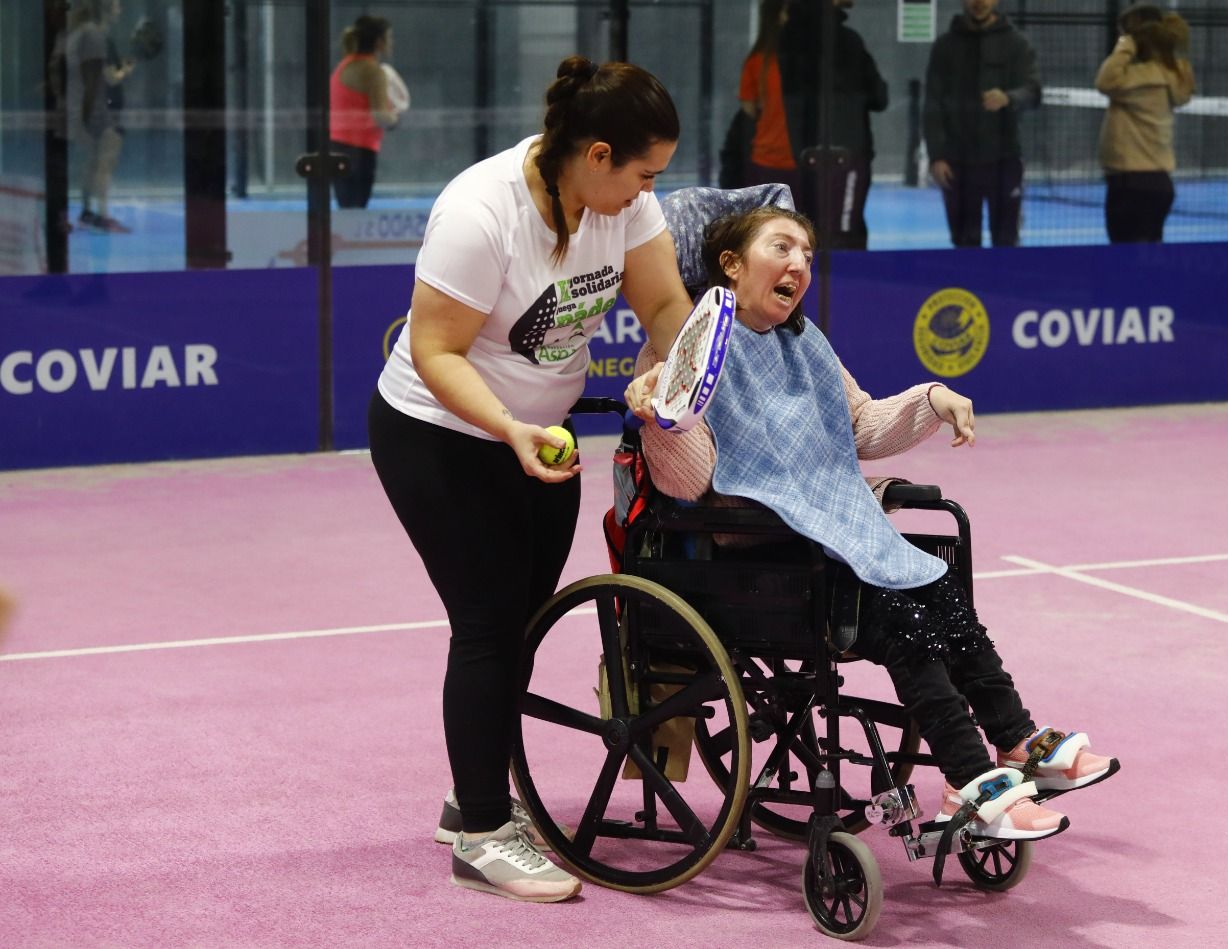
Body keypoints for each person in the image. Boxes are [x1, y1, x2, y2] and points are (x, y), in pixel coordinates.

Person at [626, 206, 1120, 848]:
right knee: (898, 614)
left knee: (938, 591)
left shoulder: (806, 344)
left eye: (808, 252)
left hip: (833, 541)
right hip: (760, 559)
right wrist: (661, 422)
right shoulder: (682, 352)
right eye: (782, 247)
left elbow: (859, 425)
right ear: (731, 263)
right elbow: (687, 486)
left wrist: (929, 399)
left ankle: (1017, 740)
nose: (800, 264)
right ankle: (971, 781)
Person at [367, 55, 694, 903]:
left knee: (519, 622)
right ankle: (480, 831)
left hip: (537, 436)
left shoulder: (625, 206)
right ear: (595, 155)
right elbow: (436, 348)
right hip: (438, 433)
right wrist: (508, 426)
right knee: (483, 619)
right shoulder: (481, 214)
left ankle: (470, 789)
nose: (649, 191)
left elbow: (663, 306)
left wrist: (669, 367)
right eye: (643, 173)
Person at [923, 0, 1041, 248]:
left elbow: (1033, 91)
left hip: (1004, 159)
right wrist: (937, 156)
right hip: (958, 163)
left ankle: (1004, 287)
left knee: (1007, 240)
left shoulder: (1017, 44)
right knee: (964, 242)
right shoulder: (945, 46)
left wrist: (1009, 98)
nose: (979, 2)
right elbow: (933, 105)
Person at [777, 0, 887, 250]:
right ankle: (848, 286)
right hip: (847, 152)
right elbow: (879, 97)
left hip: (804, 152)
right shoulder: (848, 41)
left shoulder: (788, 40)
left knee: (809, 229)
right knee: (844, 232)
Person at [1095, 3, 1195, 243]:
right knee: (1149, 256)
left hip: (1133, 185)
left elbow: (1105, 81)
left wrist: (1124, 47)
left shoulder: (1145, 78)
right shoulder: (1172, 74)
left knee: (1127, 259)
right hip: (1156, 183)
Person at [62, 0, 135, 232]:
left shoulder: (87, 35)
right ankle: (102, 215)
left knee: (92, 163)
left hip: (92, 110)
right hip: (100, 112)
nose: (120, 8)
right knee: (105, 163)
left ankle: (87, 211)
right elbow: (108, 77)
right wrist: (127, 70)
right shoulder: (95, 35)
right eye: (116, 4)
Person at [329, 15, 399, 209]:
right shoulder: (373, 71)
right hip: (360, 151)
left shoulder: (344, 65)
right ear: (379, 42)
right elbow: (381, 116)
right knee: (357, 210)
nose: (392, 43)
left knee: (347, 210)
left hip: (336, 146)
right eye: (389, 37)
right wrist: (395, 119)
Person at [737, 0, 799, 192]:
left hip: (772, 157)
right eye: (787, 12)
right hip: (776, 158)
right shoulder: (760, 62)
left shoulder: (757, 62)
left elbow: (749, 108)